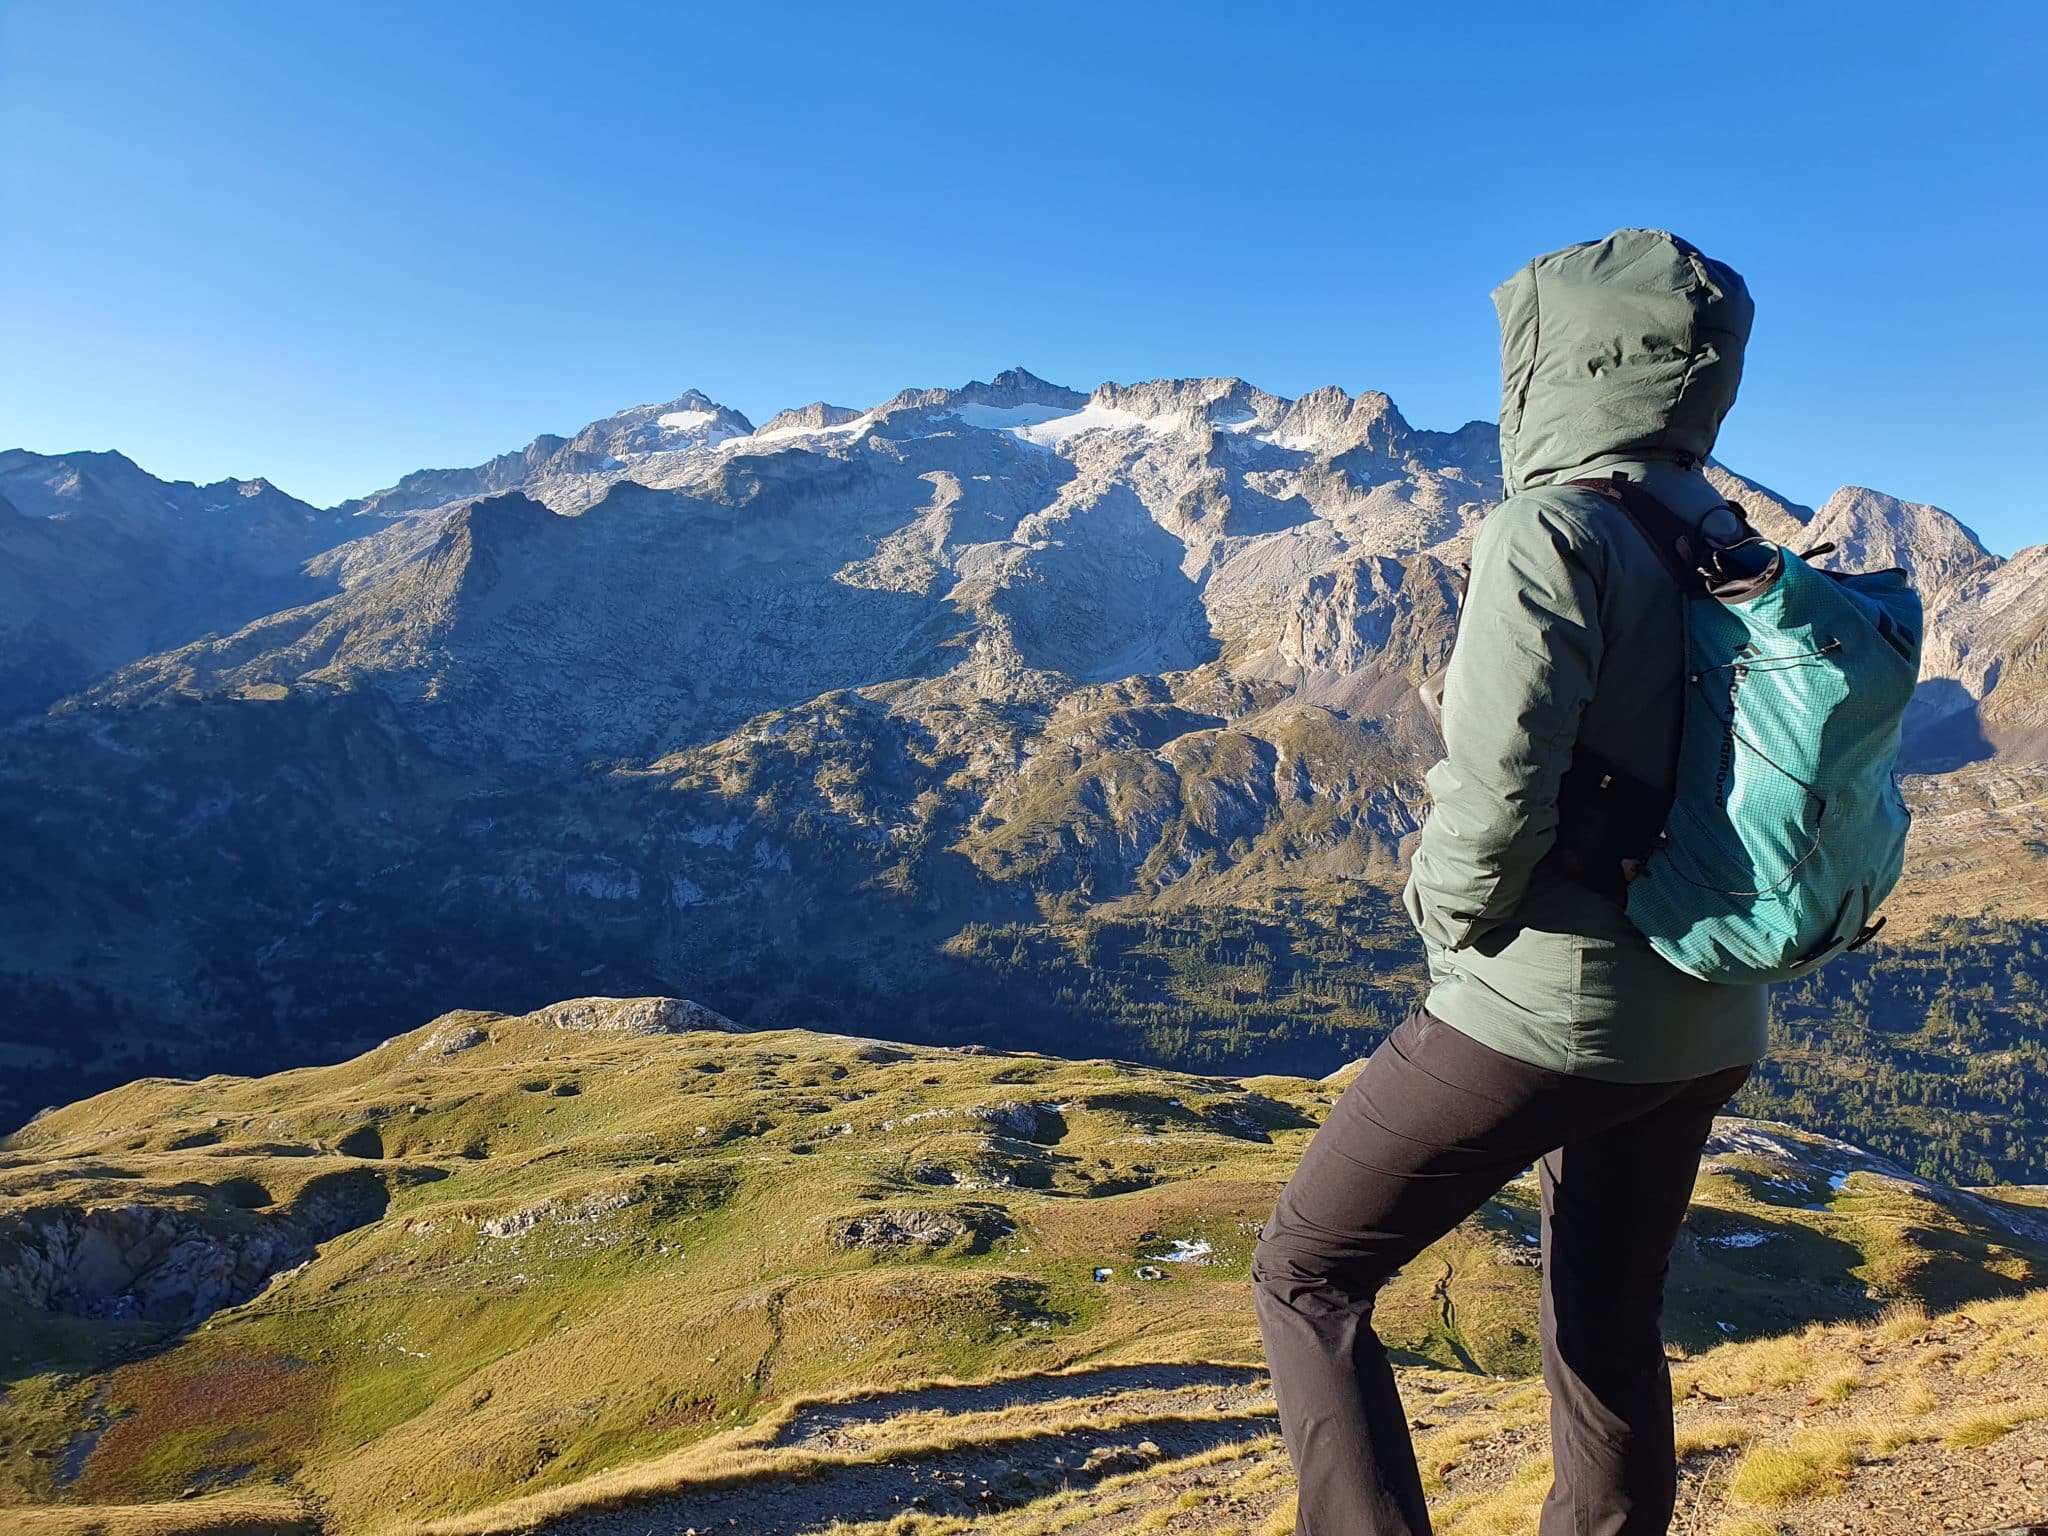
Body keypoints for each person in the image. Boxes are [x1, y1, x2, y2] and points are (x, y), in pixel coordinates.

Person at [1251, 228, 1769, 1536]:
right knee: (1608, 1317)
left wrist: (1446, 926)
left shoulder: (1553, 530)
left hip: (1548, 1009)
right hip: (1710, 1017)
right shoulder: (1727, 533)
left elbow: (1493, 799)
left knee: (1306, 1273)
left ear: (1560, 363)